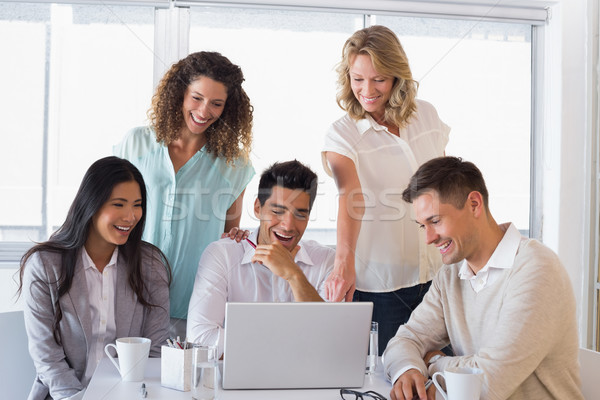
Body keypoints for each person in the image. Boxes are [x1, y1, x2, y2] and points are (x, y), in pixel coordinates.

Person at [383, 156, 583, 400]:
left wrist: (433, 362)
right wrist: (410, 368)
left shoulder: (536, 269)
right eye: (423, 226)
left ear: (474, 204)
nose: (429, 238)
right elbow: (405, 340)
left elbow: (487, 383)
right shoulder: (450, 276)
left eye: (435, 221)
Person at [322, 25, 450, 353]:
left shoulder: (427, 115)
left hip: (439, 276)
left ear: (396, 77)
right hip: (384, 288)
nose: (366, 90)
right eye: (357, 78)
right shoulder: (342, 135)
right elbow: (351, 196)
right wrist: (342, 264)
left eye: (378, 79)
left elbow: (446, 184)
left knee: (444, 376)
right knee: (390, 379)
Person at [114, 51, 255, 336]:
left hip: (192, 305)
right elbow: (108, 210)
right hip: (129, 293)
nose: (204, 111)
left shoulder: (234, 164)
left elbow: (228, 237)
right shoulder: (137, 143)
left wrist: (238, 236)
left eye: (216, 104)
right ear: (180, 92)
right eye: (197, 98)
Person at [18, 156, 171, 400]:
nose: (130, 216)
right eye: (119, 204)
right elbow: (47, 357)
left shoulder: (150, 265)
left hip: (130, 394)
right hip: (65, 395)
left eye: (137, 204)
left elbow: (155, 349)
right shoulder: (45, 264)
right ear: (91, 204)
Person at [186, 160, 335, 356]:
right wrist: (286, 348)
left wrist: (294, 276)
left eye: (300, 214)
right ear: (257, 208)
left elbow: (330, 341)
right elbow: (200, 338)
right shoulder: (222, 255)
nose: (288, 225)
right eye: (277, 211)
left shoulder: (326, 261)